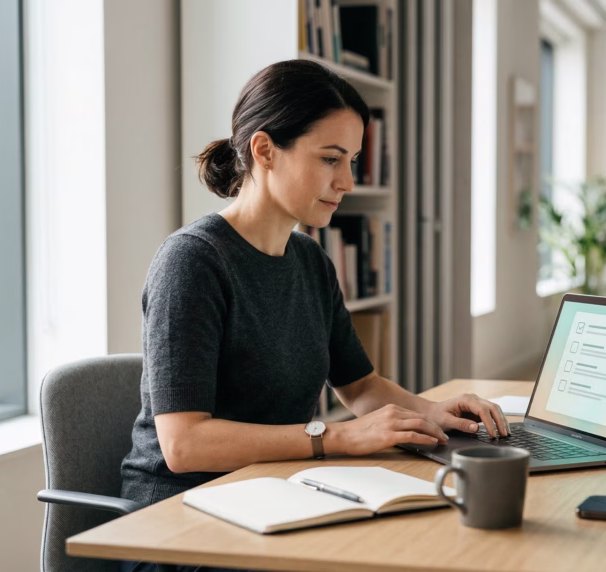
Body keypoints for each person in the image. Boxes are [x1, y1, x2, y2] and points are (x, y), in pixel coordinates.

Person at [119, 60, 507, 572]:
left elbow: (361, 387)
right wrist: (339, 437)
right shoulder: (192, 262)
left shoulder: (309, 260)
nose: (346, 181)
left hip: (277, 496)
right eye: (331, 158)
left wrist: (431, 412)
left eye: (352, 161)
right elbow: (184, 444)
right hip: (184, 523)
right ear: (264, 151)